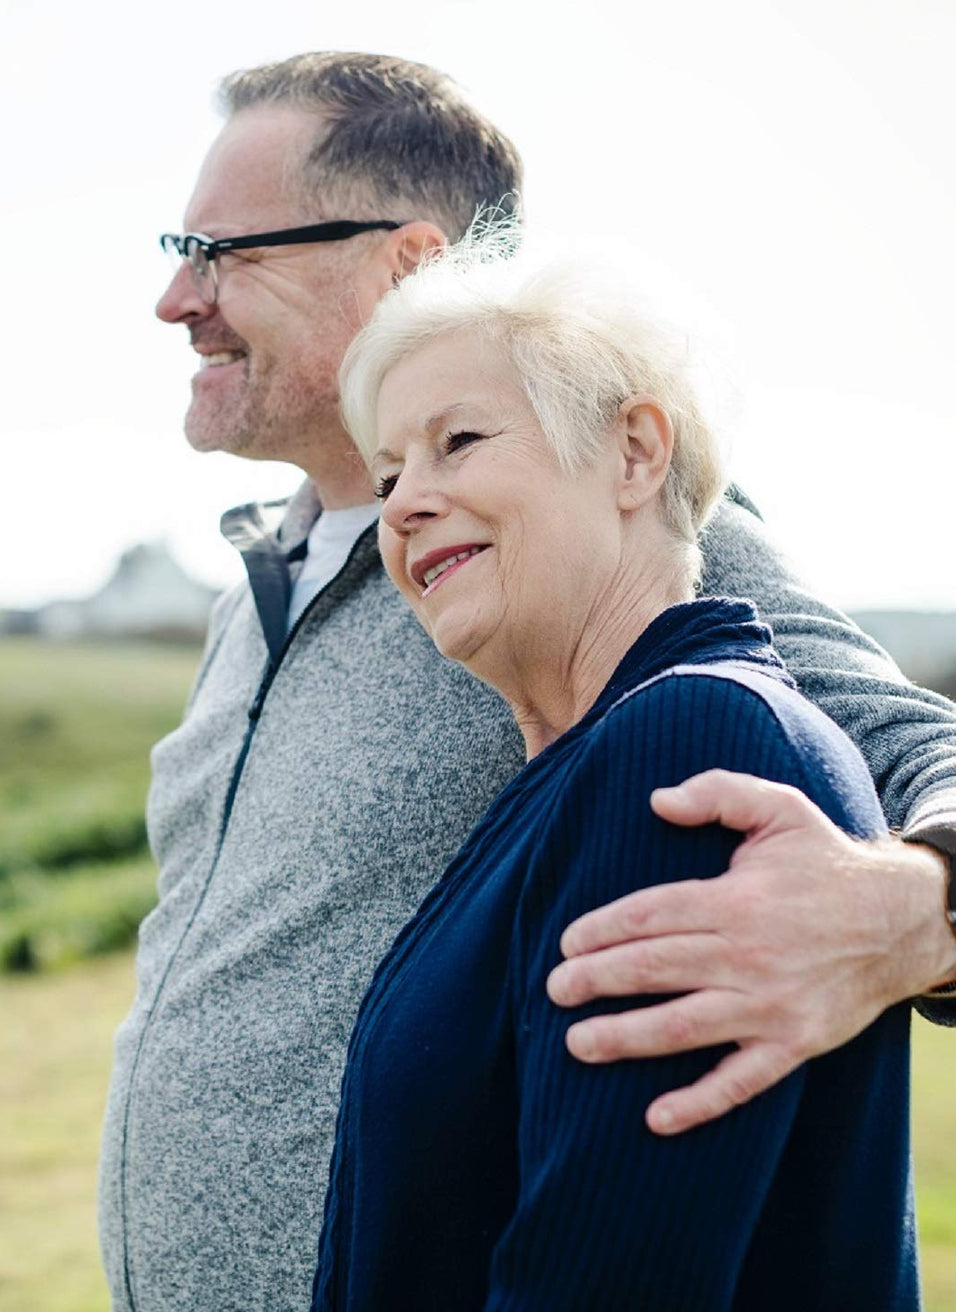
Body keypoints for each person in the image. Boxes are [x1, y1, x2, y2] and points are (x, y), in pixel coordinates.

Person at [101, 51, 956, 1312]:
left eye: (217, 249)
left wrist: (921, 907)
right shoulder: (257, 583)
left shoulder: (594, 526)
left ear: (408, 263)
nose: (174, 298)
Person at [313, 230, 918, 1310]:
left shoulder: (686, 744)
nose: (401, 504)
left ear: (635, 452)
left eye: (457, 441)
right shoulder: (577, 773)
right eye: (391, 471)